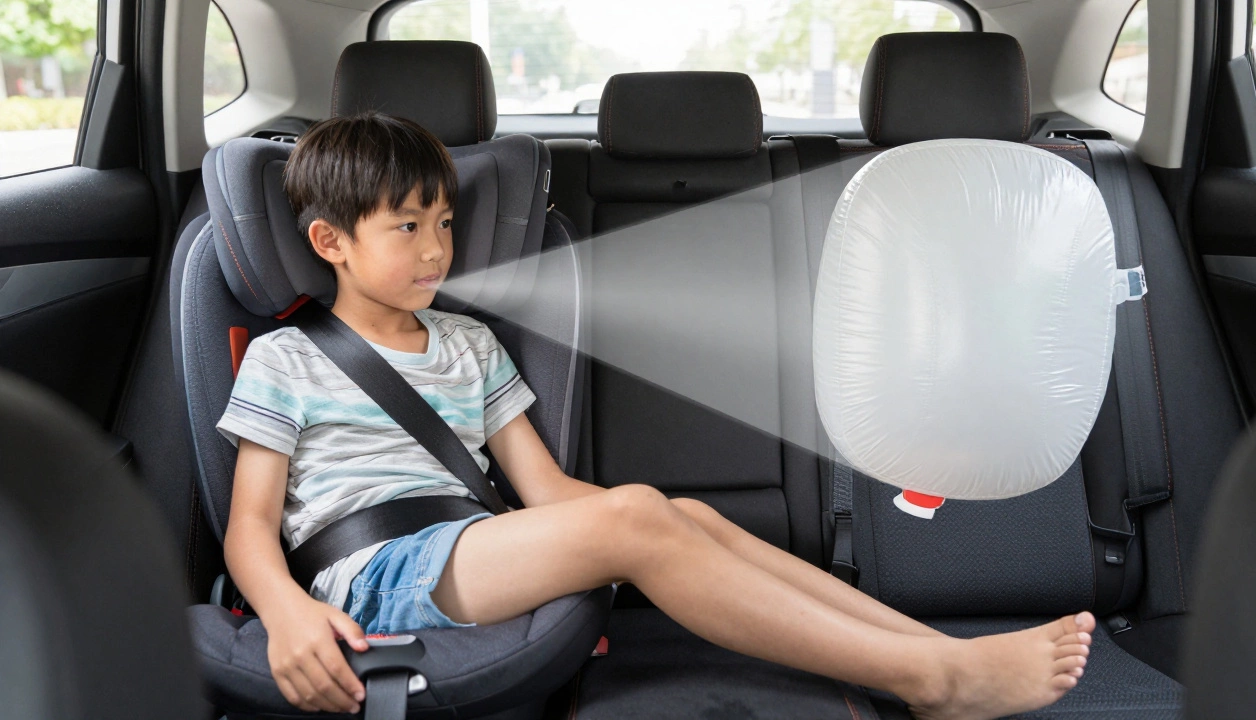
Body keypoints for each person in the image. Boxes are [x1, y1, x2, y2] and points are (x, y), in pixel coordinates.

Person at [217, 112, 1094, 720]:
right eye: (406, 227)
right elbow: (250, 528)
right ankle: (933, 680)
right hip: (370, 573)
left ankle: (932, 652)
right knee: (640, 514)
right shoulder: (287, 357)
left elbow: (544, 487)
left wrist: (644, 526)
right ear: (330, 240)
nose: (438, 248)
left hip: (470, 551)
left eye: (443, 221)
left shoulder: (468, 345)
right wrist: (288, 615)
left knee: (681, 513)